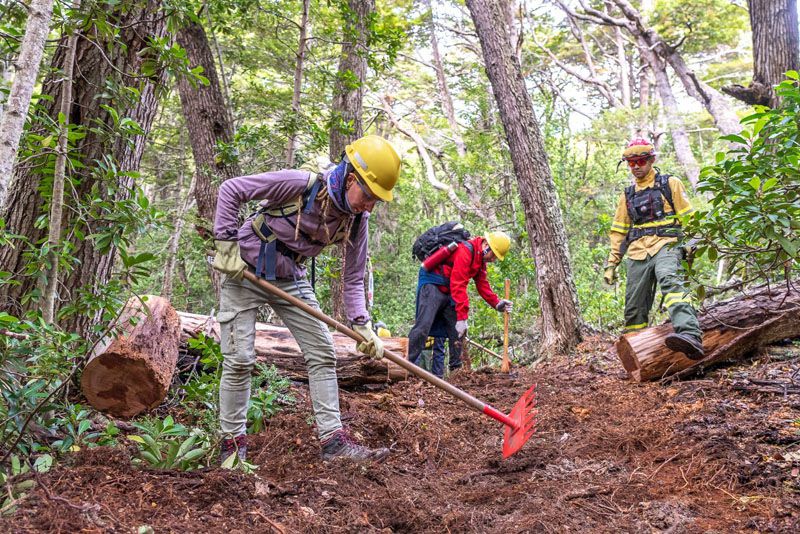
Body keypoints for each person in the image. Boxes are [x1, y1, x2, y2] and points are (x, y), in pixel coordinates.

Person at [211, 135, 401, 464]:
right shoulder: (300, 184)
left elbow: (353, 277)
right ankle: (231, 447)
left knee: (323, 353)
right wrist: (226, 244)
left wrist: (362, 325)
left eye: (376, 200)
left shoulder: (358, 220)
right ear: (351, 179)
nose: (370, 206)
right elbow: (231, 189)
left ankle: (334, 442)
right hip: (245, 271)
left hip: (290, 278)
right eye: (369, 196)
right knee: (239, 359)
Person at [604, 138, 704, 359]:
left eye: (640, 161)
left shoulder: (670, 184)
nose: (636, 166)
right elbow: (619, 231)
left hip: (667, 244)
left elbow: (690, 218)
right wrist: (612, 264)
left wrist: (692, 244)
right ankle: (637, 350)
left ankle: (690, 334)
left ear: (651, 160)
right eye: (631, 163)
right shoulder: (627, 195)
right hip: (638, 252)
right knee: (634, 303)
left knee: (670, 279)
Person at [407, 231, 513, 375]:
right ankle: (406, 366)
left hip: (449, 288)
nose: (493, 259)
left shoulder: (480, 261)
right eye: (493, 254)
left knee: (457, 332)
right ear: (486, 245)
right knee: (423, 327)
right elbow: (458, 284)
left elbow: (482, 284)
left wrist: (496, 303)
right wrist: (462, 317)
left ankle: (458, 373)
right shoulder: (466, 251)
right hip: (433, 282)